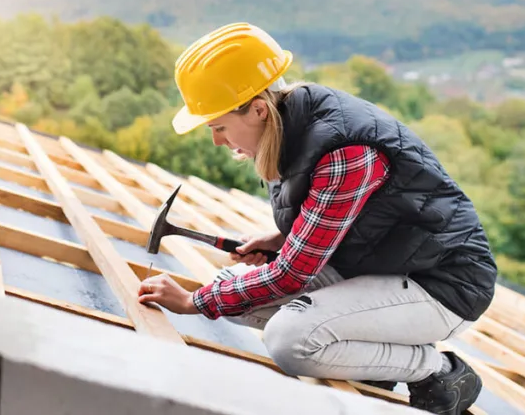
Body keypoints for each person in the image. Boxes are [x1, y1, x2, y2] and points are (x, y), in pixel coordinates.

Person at [136, 22, 497, 415]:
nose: (217, 140)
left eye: (219, 126)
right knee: (233, 290)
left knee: (289, 339)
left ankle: (437, 370)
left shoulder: (345, 151)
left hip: (442, 285)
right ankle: (370, 359)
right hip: (384, 267)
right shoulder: (291, 124)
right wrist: (280, 237)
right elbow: (359, 214)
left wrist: (193, 301)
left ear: (258, 108)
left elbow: (291, 275)